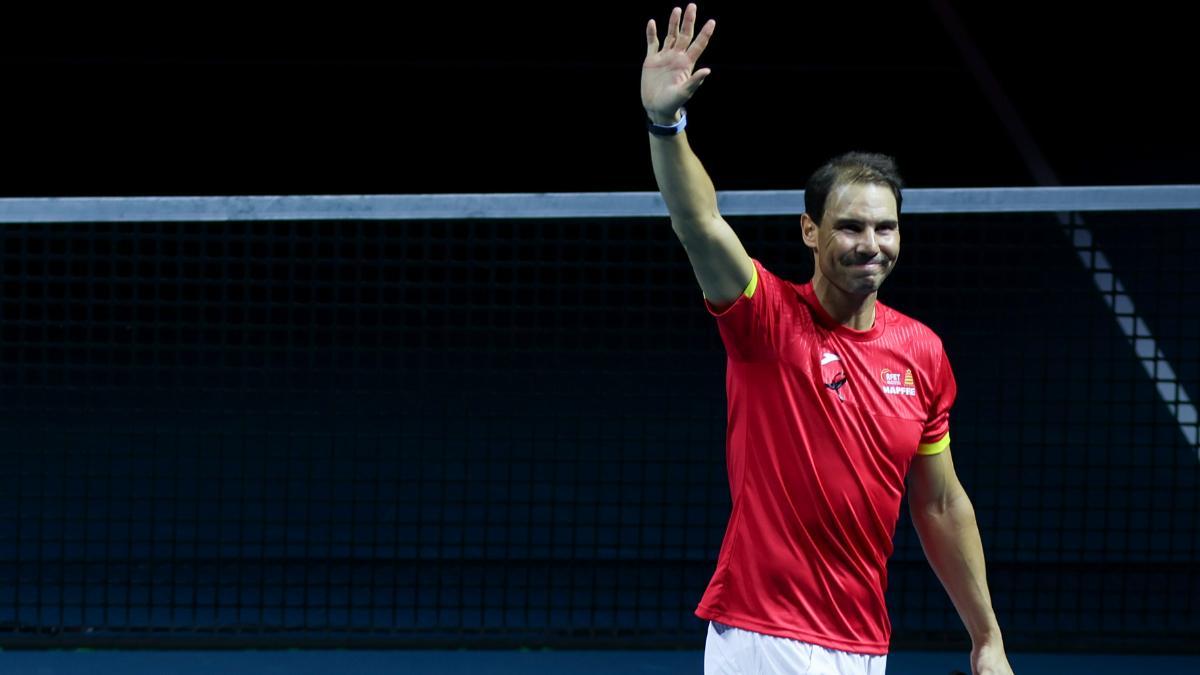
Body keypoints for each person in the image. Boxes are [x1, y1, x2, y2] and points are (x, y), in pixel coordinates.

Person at [641, 5, 1014, 674]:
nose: (871, 244)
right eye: (849, 227)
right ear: (810, 231)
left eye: (885, 228)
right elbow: (698, 222)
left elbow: (938, 501)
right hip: (765, 635)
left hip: (863, 642)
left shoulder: (922, 352)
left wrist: (987, 638)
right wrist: (666, 124)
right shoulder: (766, 320)